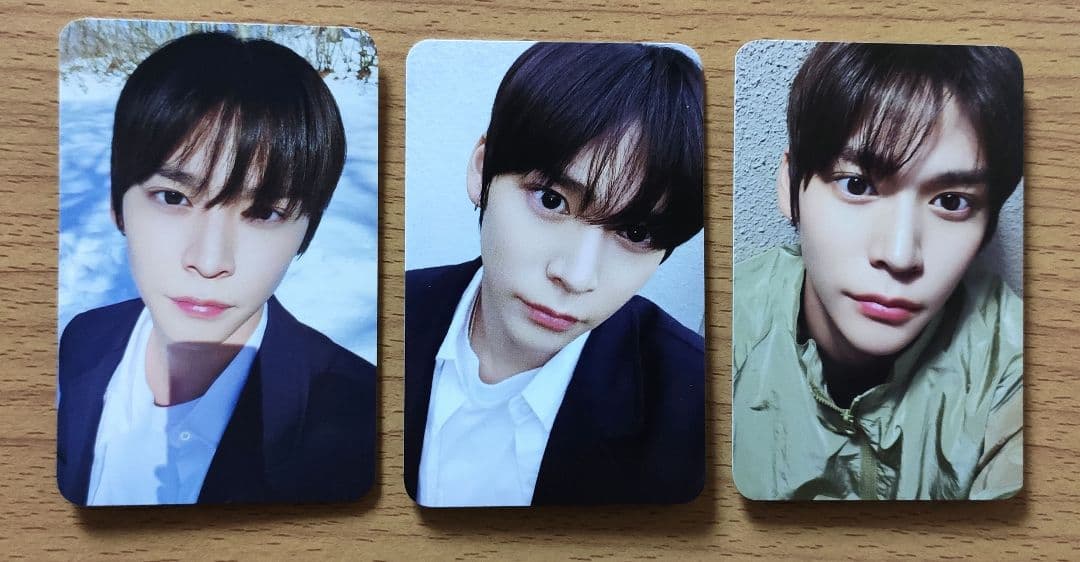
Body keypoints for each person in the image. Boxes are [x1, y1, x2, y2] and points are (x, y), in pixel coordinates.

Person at [57, 31, 375, 506]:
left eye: (264, 212)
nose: (209, 263)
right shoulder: (84, 339)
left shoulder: (359, 421)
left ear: (307, 230)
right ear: (117, 205)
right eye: (173, 197)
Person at [404, 42, 706, 507]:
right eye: (551, 200)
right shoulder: (386, 321)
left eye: (635, 232)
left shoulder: (697, 407)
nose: (577, 276)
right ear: (482, 170)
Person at [732, 43, 1024, 500]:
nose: (900, 255)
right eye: (857, 185)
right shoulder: (725, 329)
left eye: (951, 201)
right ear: (790, 187)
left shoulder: (1016, 361)